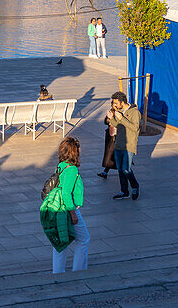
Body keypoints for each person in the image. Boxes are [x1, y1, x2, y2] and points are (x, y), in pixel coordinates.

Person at [40, 137, 89, 273]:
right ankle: (79, 270)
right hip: (68, 209)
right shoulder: (72, 169)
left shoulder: (61, 166)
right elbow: (67, 193)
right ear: (74, 152)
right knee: (84, 239)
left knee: (61, 242)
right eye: (78, 148)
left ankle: (58, 272)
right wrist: (73, 213)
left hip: (59, 209)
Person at [108, 92, 140, 200]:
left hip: (128, 146)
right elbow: (117, 125)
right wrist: (112, 118)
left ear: (122, 102)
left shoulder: (135, 113)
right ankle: (124, 191)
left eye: (116, 103)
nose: (115, 105)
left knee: (126, 169)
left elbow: (135, 128)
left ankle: (135, 186)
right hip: (118, 145)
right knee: (120, 170)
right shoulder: (120, 111)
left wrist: (122, 118)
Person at [95, 112, 116, 179]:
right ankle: (105, 172)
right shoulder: (112, 111)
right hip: (110, 136)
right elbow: (106, 122)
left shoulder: (121, 113)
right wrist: (108, 119)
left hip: (116, 137)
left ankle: (127, 172)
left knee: (114, 155)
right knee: (110, 155)